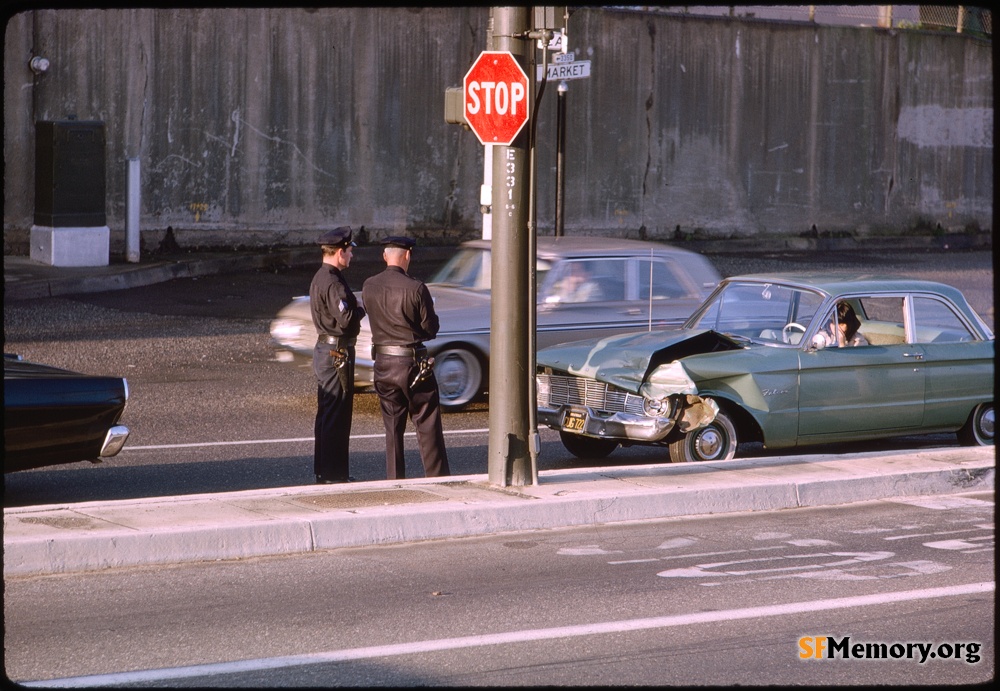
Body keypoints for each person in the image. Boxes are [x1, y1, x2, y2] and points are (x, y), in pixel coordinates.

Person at [362, 236, 451, 480]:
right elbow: (431, 329)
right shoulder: (416, 288)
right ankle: (438, 479)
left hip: (382, 363)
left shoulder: (369, 285)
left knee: (392, 430)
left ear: (384, 256)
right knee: (427, 423)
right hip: (412, 365)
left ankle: (394, 481)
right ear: (408, 256)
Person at [310, 226, 365, 484]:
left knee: (327, 413)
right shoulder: (333, 282)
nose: (352, 255)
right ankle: (334, 475)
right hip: (337, 352)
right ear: (340, 252)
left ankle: (324, 471)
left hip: (326, 350)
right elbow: (347, 320)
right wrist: (360, 311)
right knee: (337, 414)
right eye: (350, 250)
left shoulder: (320, 277)